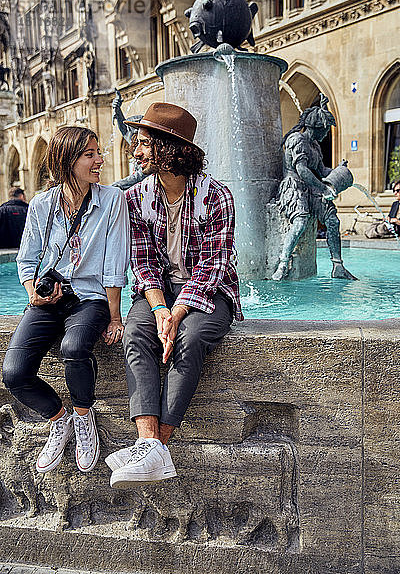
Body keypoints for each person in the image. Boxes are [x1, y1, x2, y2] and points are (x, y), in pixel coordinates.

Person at [105, 102, 243, 489]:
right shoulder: (135, 199)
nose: (136, 151)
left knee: (193, 336)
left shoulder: (217, 197)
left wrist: (178, 313)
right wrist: (161, 309)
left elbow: (213, 267)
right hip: (159, 291)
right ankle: (150, 446)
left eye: (145, 143)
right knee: (136, 331)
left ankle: (154, 450)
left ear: (170, 148)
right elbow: (143, 262)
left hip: (210, 290)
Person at [2, 126, 129, 474]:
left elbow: (116, 262)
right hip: (49, 300)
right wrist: (34, 295)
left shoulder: (112, 200)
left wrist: (115, 318)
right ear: (68, 160)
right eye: (90, 154)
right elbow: (26, 259)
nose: (100, 160)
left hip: (91, 299)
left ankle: (84, 416)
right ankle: (61, 418)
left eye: (98, 152)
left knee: (73, 349)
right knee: (13, 374)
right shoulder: (42, 204)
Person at [273, 94, 356, 281]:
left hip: (311, 187)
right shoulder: (297, 140)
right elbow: (301, 170)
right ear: (318, 127)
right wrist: (324, 189)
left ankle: (338, 266)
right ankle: (283, 262)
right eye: (325, 130)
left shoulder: (315, 146)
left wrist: (338, 170)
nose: (326, 134)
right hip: (294, 186)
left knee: (332, 220)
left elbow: (321, 170)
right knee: (301, 222)